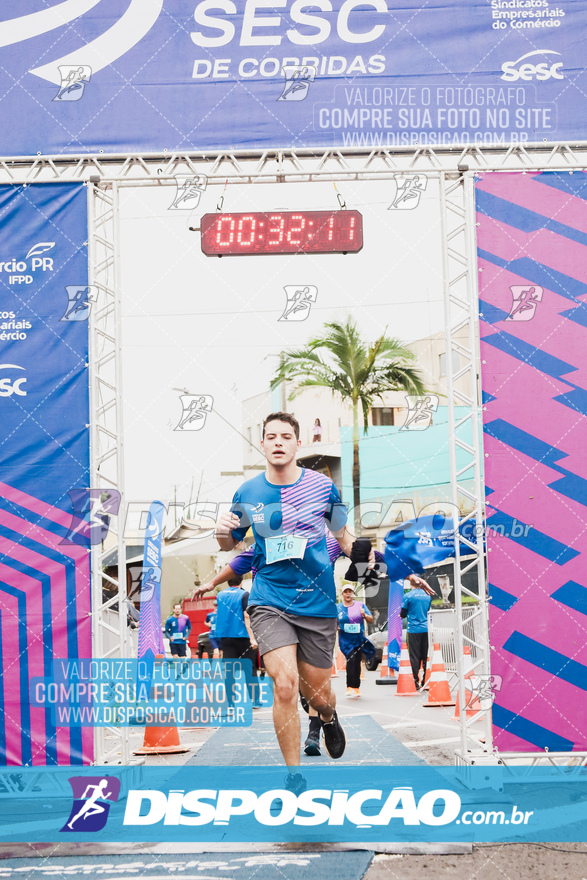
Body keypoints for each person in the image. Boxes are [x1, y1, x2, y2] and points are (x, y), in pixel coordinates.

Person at [213, 412, 366, 789]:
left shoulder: (323, 487)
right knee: (284, 684)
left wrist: (369, 559)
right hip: (269, 598)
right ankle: (294, 774)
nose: (278, 442)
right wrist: (221, 533)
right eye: (271, 436)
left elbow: (345, 539)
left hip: (316, 603)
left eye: (286, 436)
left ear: (298, 444)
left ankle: (328, 718)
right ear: (262, 445)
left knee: (318, 694)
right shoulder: (247, 493)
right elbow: (229, 544)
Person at [337, 586, 374, 699]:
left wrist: (364, 615)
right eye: (345, 592)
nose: (348, 594)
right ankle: (349, 686)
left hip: (358, 638)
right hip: (345, 638)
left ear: (353, 594)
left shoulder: (360, 605)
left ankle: (356, 688)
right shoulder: (337, 607)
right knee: (351, 658)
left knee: (357, 661)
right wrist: (336, 626)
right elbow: (332, 621)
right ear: (342, 594)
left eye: (350, 592)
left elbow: (371, 619)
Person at [401, 579, 433, 689]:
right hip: (425, 629)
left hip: (413, 629)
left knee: (414, 656)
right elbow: (427, 610)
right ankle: (425, 681)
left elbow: (403, 613)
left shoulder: (408, 596)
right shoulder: (428, 595)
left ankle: (415, 682)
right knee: (425, 655)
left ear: (411, 583)